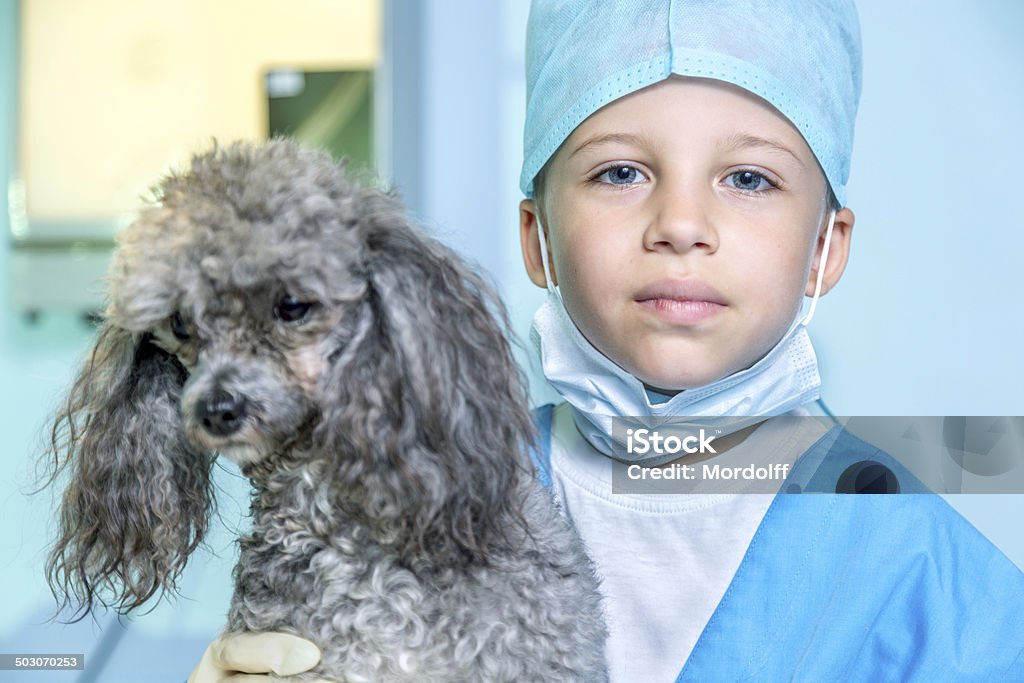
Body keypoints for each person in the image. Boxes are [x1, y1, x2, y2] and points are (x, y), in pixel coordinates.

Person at [190, 1, 1024, 680]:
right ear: (536, 234)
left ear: (826, 248)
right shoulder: (406, 510)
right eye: (619, 172)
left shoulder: (934, 584)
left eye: (749, 178)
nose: (682, 225)